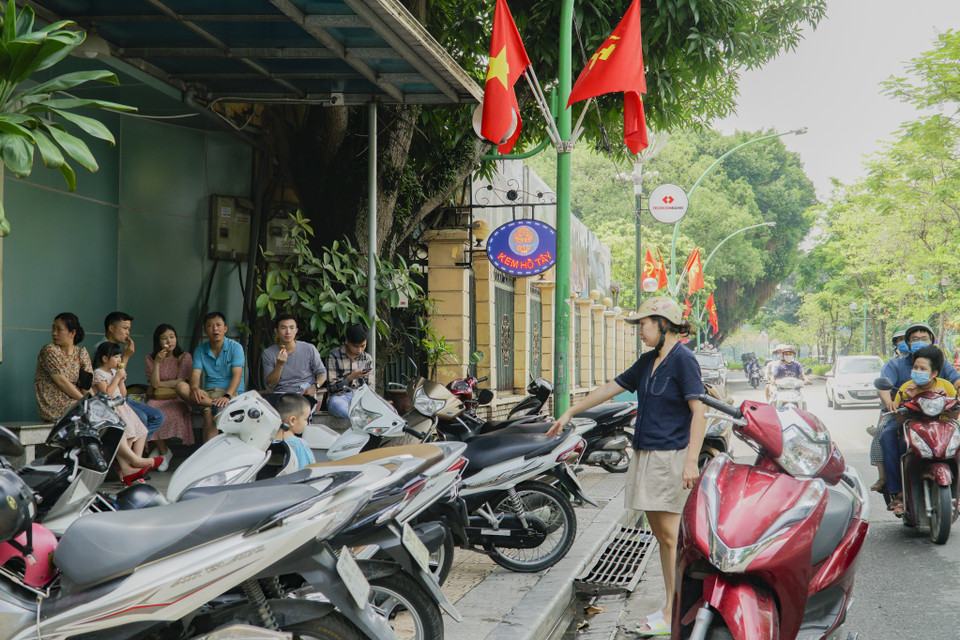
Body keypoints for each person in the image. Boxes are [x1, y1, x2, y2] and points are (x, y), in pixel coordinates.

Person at [546, 296, 705, 638]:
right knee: (661, 538)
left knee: (671, 537)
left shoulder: (683, 361)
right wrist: (572, 411)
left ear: (663, 323)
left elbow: (699, 412)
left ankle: (676, 610)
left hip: (669, 458)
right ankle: (670, 606)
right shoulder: (649, 361)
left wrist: (691, 460)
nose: (640, 332)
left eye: (644, 324)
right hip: (645, 454)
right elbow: (610, 388)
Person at [884, 344, 959, 516]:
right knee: (900, 444)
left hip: (942, 430)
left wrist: (947, 400)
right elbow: (899, 418)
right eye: (915, 368)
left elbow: (954, 417)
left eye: (922, 368)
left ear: (934, 373)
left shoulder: (946, 386)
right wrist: (907, 400)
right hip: (915, 429)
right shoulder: (905, 388)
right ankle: (899, 492)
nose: (917, 371)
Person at [92, 342, 162, 485]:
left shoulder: (113, 372)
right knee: (128, 434)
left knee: (141, 431)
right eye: (116, 357)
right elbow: (107, 395)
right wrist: (117, 378)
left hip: (122, 406)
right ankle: (130, 467)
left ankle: (134, 465)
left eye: (119, 356)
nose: (119, 360)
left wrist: (121, 381)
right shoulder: (99, 373)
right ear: (105, 358)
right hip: (111, 410)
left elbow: (123, 394)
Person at [176, 312, 245, 442]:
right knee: (180, 386)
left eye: (218, 325)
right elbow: (195, 373)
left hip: (230, 394)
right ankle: (214, 405)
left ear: (225, 329)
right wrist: (195, 387)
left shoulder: (236, 348)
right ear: (205, 331)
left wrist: (227, 396)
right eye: (210, 326)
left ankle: (209, 459)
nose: (215, 329)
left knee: (209, 415)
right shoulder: (200, 349)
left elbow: (237, 376)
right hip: (207, 395)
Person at [101, 311, 165, 440]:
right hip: (110, 399)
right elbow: (112, 377)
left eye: (129, 329)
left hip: (121, 396)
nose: (128, 333)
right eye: (125, 328)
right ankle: (131, 454)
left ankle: (133, 452)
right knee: (142, 417)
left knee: (157, 416)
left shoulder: (115, 348)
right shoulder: (102, 349)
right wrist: (126, 356)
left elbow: (120, 376)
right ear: (112, 329)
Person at [144, 324, 194, 471]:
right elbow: (154, 384)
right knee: (151, 411)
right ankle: (165, 451)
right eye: (164, 338)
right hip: (158, 398)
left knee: (167, 413)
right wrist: (158, 363)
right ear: (158, 341)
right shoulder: (151, 358)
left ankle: (159, 451)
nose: (169, 341)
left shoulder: (184, 357)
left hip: (178, 398)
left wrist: (162, 383)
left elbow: (182, 382)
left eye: (172, 337)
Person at [869, 325, 908, 492]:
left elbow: (954, 381)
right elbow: (883, 387)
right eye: (900, 340)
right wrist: (889, 403)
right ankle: (887, 480)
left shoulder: (938, 361)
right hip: (900, 413)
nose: (904, 342)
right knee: (883, 434)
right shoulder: (894, 364)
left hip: (934, 414)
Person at [34, 313, 93, 422]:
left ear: (73, 333)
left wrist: (94, 402)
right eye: (53, 329)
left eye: (59, 329)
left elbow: (86, 385)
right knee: (88, 414)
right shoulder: (50, 350)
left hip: (76, 401)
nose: (54, 333)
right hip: (55, 404)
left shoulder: (81, 352)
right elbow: (62, 382)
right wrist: (85, 402)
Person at [261, 313, 327, 408]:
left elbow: (322, 372)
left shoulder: (309, 349)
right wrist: (279, 364)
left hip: (304, 392)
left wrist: (315, 386)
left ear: (296, 330)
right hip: (281, 393)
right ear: (276, 331)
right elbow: (271, 383)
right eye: (283, 328)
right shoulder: (268, 353)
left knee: (297, 409)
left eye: (291, 328)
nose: (288, 332)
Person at [325, 324, 373, 419]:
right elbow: (331, 387)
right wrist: (351, 377)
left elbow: (370, 388)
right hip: (339, 397)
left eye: (363, 346)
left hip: (361, 398)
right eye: (356, 346)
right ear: (347, 341)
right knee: (338, 405)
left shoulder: (367, 358)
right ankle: (360, 420)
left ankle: (361, 419)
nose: (359, 350)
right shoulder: (334, 356)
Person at [273, 393, 316, 472]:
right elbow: (307, 472)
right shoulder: (300, 445)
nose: (306, 423)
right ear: (292, 420)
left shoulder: (267, 443)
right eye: (305, 419)